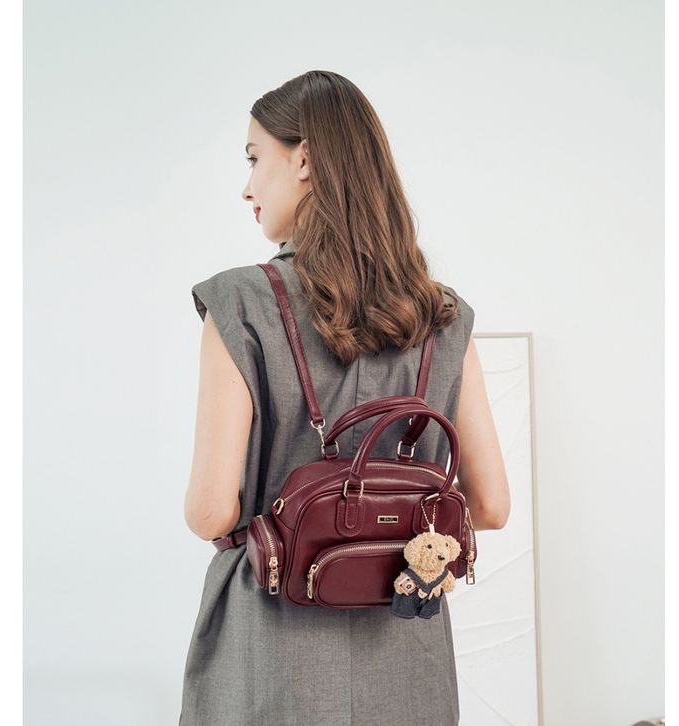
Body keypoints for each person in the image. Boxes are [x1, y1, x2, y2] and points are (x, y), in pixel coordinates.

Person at [179, 70, 510, 726]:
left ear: (303, 159)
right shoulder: (444, 316)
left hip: (272, 650)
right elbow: (491, 507)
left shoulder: (240, 303)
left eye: (254, 158)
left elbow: (212, 511)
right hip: (407, 645)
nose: (247, 186)